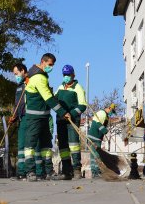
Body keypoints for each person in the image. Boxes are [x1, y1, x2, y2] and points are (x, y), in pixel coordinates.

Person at [23, 53, 70, 182]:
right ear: (42, 62)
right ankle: (30, 172)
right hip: (35, 116)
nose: (51, 67)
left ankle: (49, 172)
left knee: (46, 145)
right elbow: (47, 97)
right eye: (50, 64)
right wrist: (62, 112)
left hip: (43, 116)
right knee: (30, 144)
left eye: (53, 65)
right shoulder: (39, 77)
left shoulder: (40, 75)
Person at [53, 65, 87, 180]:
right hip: (60, 120)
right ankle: (66, 170)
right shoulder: (60, 87)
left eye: (68, 75)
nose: (66, 77)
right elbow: (53, 101)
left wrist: (71, 114)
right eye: (64, 75)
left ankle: (77, 169)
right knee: (62, 146)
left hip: (72, 121)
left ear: (73, 75)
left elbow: (82, 106)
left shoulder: (78, 88)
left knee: (74, 145)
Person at [9, 63, 28, 181]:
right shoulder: (19, 86)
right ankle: (21, 172)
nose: (15, 76)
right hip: (20, 117)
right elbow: (17, 104)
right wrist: (14, 116)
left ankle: (29, 171)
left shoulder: (29, 82)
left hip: (28, 116)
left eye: (16, 73)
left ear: (23, 71)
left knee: (28, 146)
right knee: (21, 145)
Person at [88, 105, 116, 178]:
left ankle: (96, 170)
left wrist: (104, 132)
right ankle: (95, 172)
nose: (111, 113)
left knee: (97, 154)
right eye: (112, 111)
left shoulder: (106, 116)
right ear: (108, 108)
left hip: (98, 137)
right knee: (95, 154)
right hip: (94, 136)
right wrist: (104, 130)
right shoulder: (102, 113)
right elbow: (98, 124)